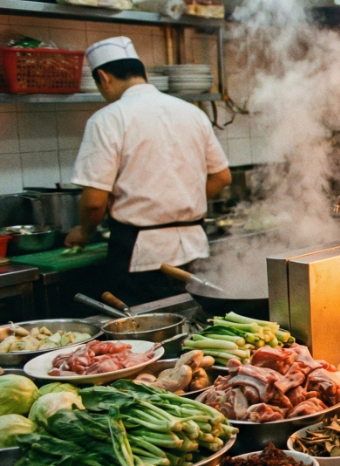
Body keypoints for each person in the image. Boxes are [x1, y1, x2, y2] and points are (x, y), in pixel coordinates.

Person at [66, 37, 231, 305]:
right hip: (194, 247)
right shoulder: (192, 113)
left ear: (104, 78)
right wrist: (179, 200)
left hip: (140, 257)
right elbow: (222, 177)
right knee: (197, 321)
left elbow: (94, 203)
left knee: (145, 333)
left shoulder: (107, 119)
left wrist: (83, 233)